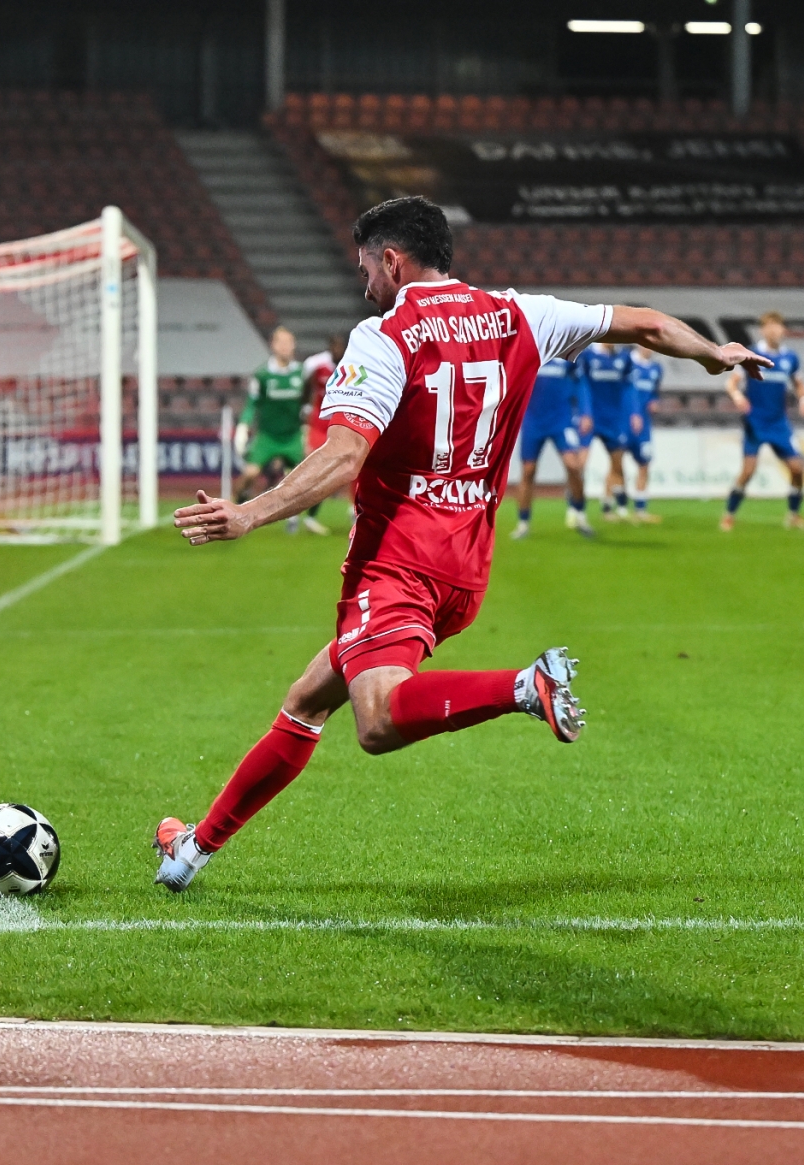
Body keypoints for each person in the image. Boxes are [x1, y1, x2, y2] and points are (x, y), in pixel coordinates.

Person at [156, 197, 770, 891]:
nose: (365, 285)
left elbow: (344, 454)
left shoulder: (385, 336)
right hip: (466, 570)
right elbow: (646, 324)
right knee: (307, 699)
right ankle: (191, 851)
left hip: (397, 563)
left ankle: (525, 686)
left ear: (393, 261)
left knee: (376, 720)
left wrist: (249, 514)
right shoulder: (520, 313)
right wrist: (714, 354)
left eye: (366, 268)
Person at [721, 311, 804, 531]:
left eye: (777, 326)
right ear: (763, 330)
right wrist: (738, 397)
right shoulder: (751, 354)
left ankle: (793, 514)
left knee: (797, 468)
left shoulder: (790, 358)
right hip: (755, 422)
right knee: (748, 471)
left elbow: (799, 384)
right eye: (769, 327)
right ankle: (729, 514)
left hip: (779, 423)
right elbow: (731, 383)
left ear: (783, 330)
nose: (774, 331)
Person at [511, 347, 595, 539]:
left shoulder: (568, 355)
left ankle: (579, 513)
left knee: (573, 466)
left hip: (562, 420)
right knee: (528, 471)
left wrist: (586, 413)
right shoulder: (530, 352)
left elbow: (581, 384)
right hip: (533, 421)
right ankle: (523, 523)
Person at [235, 325, 309, 533]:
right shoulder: (262, 375)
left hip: (293, 435)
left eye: (289, 342)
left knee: (300, 478)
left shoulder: (302, 373)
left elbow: (309, 402)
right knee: (250, 473)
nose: (285, 346)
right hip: (267, 435)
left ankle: (292, 518)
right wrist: (243, 425)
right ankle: (238, 500)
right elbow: (252, 403)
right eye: (281, 342)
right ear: (273, 345)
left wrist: (308, 427)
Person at [296, 333, 347, 537]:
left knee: (333, 471)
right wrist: (304, 410)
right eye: (335, 346)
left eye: (340, 346)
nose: (338, 350)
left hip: (337, 424)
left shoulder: (350, 366)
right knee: (312, 468)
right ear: (329, 348)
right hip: (318, 423)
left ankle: (311, 516)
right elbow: (306, 388)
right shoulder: (318, 366)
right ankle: (294, 513)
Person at [577, 340, 634, 520]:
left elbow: (628, 387)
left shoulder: (624, 357)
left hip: (614, 420)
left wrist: (633, 413)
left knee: (617, 464)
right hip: (591, 418)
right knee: (580, 464)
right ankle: (576, 508)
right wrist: (584, 413)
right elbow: (581, 385)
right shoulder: (587, 355)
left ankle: (610, 506)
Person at [620, 345, 663, 524]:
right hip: (623, 421)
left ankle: (640, 509)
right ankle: (612, 507)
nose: (649, 348)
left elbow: (655, 393)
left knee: (644, 463)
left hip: (644, 425)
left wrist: (654, 401)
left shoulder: (656, 369)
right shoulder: (626, 362)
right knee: (616, 462)